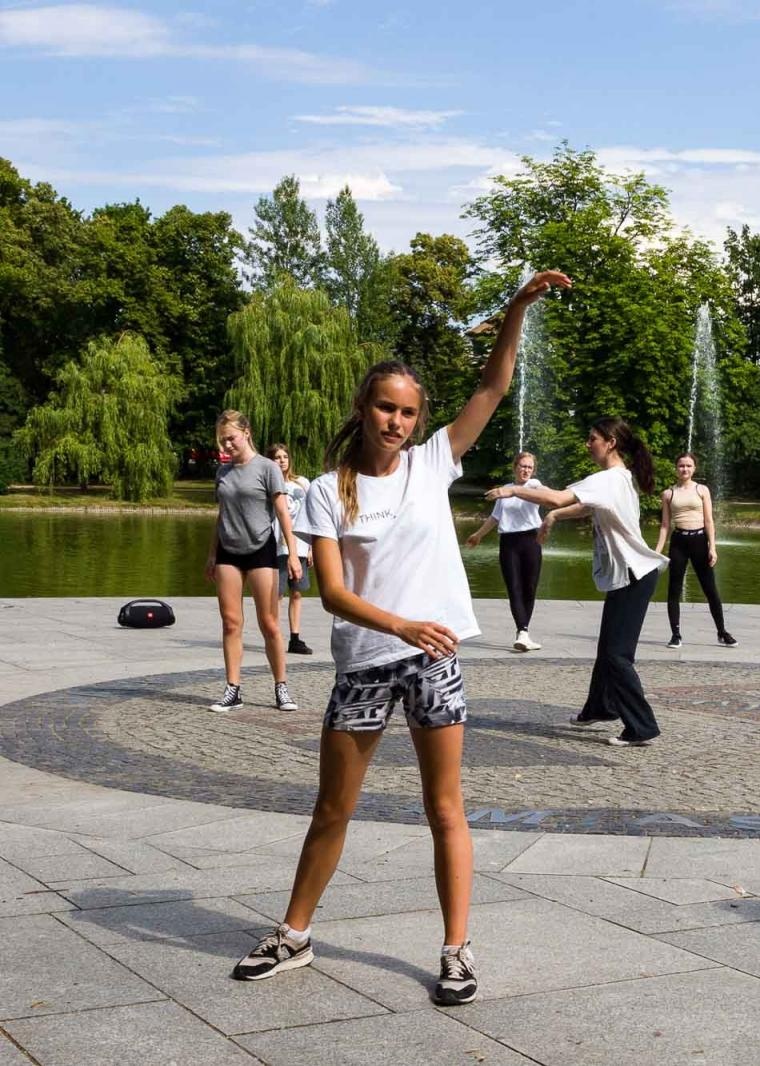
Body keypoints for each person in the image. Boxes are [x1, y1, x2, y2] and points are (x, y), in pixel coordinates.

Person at [229, 269, 572, 1006]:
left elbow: (492, 386)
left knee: (444, 808)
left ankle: (456, 950)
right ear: (365, 407)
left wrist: (515, 308)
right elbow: (332, 594)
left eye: (409, 413)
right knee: (333, 809)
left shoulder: (432, 464)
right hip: (364, 667)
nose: (397, 423)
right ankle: (295, 935)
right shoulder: (326, 489)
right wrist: (401, 624)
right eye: (386, 408)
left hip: (434, 663)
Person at [491, 417, 669, 747]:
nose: (588, 444)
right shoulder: (617, 478)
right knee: (608, 651)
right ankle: (600, 708)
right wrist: (555, 517)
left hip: (634, 575)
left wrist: (515, 489)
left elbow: (559, 497)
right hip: (628, 576)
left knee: (617, 656)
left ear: (610, 443)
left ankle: (642, 727)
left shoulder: (609, 478)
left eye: (593, 439)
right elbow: (583, 507)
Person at [207, 413, 301, 713]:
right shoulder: (222, 472)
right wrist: (212, 553)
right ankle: (233, 689)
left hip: (261, 550)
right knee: (231, 622)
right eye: (223, 439)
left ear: (246, 433)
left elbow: (283, 513)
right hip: (228, 552)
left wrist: (294, 553)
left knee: (269, 623)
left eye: (231, 437)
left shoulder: (267, 467)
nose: (227, 444)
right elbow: (222, 514)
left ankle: (281, 687)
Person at [654, 452, 737, 649]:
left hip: (699, 541)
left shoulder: (702, 490)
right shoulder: (668, 494)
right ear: (676, 468)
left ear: (694, 469)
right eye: (681, 466)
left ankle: (722, 632)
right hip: (679, 542)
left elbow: (709, 520)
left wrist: (713, 547)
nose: (685, 469)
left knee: (711, 590)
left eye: (689, 466)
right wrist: (657, 551)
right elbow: (665, 525)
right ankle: (675, 634)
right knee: (674, 590)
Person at [465, 452, 546, 652]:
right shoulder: (505, 490)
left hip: (531, 540)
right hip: (509, 543)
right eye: (523, 466)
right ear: (515, 467)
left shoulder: (534, 486)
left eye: (529, 467)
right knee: (514, 587)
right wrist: (478, 535)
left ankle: (524, 632)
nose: (526, 470)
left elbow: (548, 493)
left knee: (529, 587)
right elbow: (495, 517)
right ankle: (522, 631)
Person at [265, 444, 315, 656]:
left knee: (297, 592)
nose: (282, 460)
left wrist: (311, 546)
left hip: (301, 546)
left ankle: (295, 637)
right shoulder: (268, 484)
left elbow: (313, 514)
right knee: (277, 593)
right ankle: (274, 634)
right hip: (277, 546)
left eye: (285, 456)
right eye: (277, 457)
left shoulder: (302, 483)